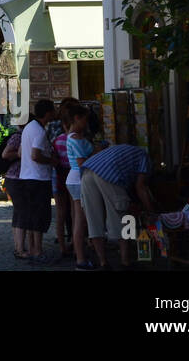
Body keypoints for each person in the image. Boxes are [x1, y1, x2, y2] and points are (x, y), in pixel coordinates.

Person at [80, 142, 157, 269]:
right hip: (108, 173)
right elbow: (140, 187)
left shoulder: (126, 152)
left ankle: (103, 262)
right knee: (123, 217)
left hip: (87, 172)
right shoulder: (145, 158)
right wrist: (151, 211)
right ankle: (125, 262)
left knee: (94, 220)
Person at [18, 99, 58, 264]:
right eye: (53, 111)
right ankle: (38, 251)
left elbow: (22, 153)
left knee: (31, 216)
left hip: (26, 177)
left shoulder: (29, 127)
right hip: (38, 178)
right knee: (40, 217)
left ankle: (33, 248)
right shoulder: (40, 132)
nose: (55, 113)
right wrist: (51, 160)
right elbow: (35, 155)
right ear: (47, 113)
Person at [65, 106, 95, 270]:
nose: (86, 123)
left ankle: (81, 256)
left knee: (80, 219)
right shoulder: (75, 138)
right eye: (84, 119)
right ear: (76, 118)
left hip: (76, 179)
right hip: (79, 179)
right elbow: (81, 163)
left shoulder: (75, 136)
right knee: (80, 221)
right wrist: (96, 152)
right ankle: (81, 259)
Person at [52, 103, 75, 259]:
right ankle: (74, 241)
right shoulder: (77, 140)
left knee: (60, 214)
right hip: (73, 177)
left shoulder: (57, 140)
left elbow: (54, 158)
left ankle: (61, 246)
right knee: (75, 212)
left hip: (58, 177)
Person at [1, 127, 26, 259]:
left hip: (15, 178)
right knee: (21, 213)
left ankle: (18, 246)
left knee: (18, 213)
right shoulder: (18, 137)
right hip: (16, 178)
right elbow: (5, 154)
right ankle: (20, 248)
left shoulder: (20, 136)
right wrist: (21, 154)